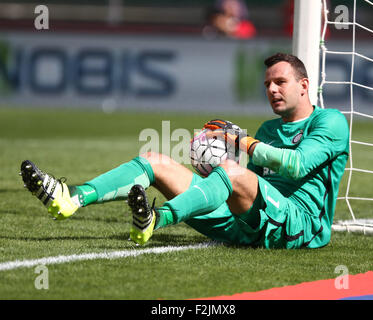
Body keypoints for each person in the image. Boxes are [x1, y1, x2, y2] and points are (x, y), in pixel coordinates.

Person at [20, 52, 349, 249]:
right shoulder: (268, 130)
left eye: (280, 82)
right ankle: (71, 196)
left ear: (304, 86)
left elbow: (296, 165)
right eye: (267, 85)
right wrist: (217, 166)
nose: (272, 89)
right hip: (251, 224)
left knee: (234, 173)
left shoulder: (330, 122)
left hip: (299, 229)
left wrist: (239, 144)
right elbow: (252, 185)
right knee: (154, 160)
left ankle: (157, 219)